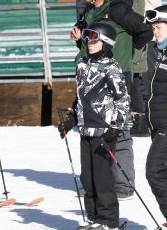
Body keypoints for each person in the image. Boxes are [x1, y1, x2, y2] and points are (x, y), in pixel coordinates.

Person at [71, 0, 151, 200]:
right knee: (92, 129)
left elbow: (144, 31)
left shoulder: (116, 9)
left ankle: (123, 184)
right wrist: (79, 38)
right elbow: (93, 41)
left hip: (116, 76)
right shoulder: (90, 9)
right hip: (91, 77)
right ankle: (97, 182)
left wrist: (126, 54)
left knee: (119, 130)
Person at [58, 22, 130, 230]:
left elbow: (122, 99)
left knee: (102, 179)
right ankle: (93, 218)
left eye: (94, 38)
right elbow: (81, 97)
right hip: (85, 129)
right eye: (87, 37)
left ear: (106, 42)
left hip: (104, 131)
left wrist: (115, 127)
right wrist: (71, 119)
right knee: (88, 179)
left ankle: (108, 222)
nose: (89, 42)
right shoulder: (82, 64)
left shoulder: (112, 68)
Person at [107, 0, 151, 136]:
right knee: (135, 83)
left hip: (133, 42)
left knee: (133, 84)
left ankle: (139, 124)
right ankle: (138, 122)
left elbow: (131, 21)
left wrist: (134, 44)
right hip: (135, 42)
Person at [144, 5, 167, 230]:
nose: (155, 31)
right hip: (157, 122)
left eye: (159, 27)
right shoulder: (156, 50)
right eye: (154, 27)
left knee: (154, 170)